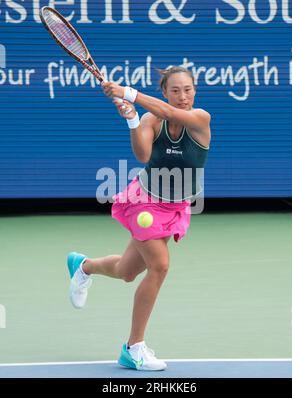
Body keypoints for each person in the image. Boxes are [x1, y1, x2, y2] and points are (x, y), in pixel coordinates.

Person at [67, 66, 211, 371]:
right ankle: (133, 348)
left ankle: (83, 266)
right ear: (165, 92)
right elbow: (143, 156)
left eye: (187, 89)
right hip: (143, 202)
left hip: (177, 206)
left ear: (195, 91)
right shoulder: (151, 119)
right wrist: (133, 118)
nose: (182, 96)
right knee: (159, 267)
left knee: (126, 271)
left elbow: (169, 113)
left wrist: (128, 93)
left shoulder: (200, 119)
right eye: (175, 90)